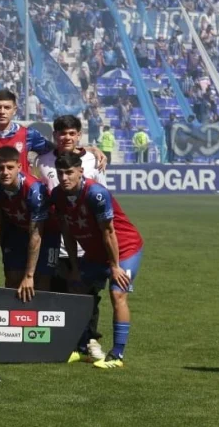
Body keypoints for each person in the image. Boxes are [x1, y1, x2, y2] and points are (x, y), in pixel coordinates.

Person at [52, 152, 144, 369]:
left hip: (124, 249)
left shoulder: (96, 194)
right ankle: (82, 348)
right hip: (95, 253)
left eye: (69, 172)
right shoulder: (58, 195)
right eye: (60, 173)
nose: (64, 178)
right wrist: (75, 267)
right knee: (76, 289)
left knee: (117, 293)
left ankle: (117, 355)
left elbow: (109, 232)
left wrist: (115, 266)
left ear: (80, 171)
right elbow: (67, 232)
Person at [38, 115, 107, 362]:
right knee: (58, 288)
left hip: (86, 238)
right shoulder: (43, 160)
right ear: (54, 136)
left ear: (79, 135)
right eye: (61, 133)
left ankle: (90, 340)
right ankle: (63, 341)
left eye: (71, 133)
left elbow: (103, 198)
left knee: (88, 292)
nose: (66, 137)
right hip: (54, 237)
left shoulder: (93, 160)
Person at [0, 146, 50, 300]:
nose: (5, 172)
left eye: (10, 167)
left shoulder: (34, 190)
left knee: (41, 282)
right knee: (13, 278)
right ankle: (13, 314)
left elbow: (36, 235)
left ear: (19, 167)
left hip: (45, 234)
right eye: (0, 168)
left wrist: (29, 275)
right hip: (16, 230)